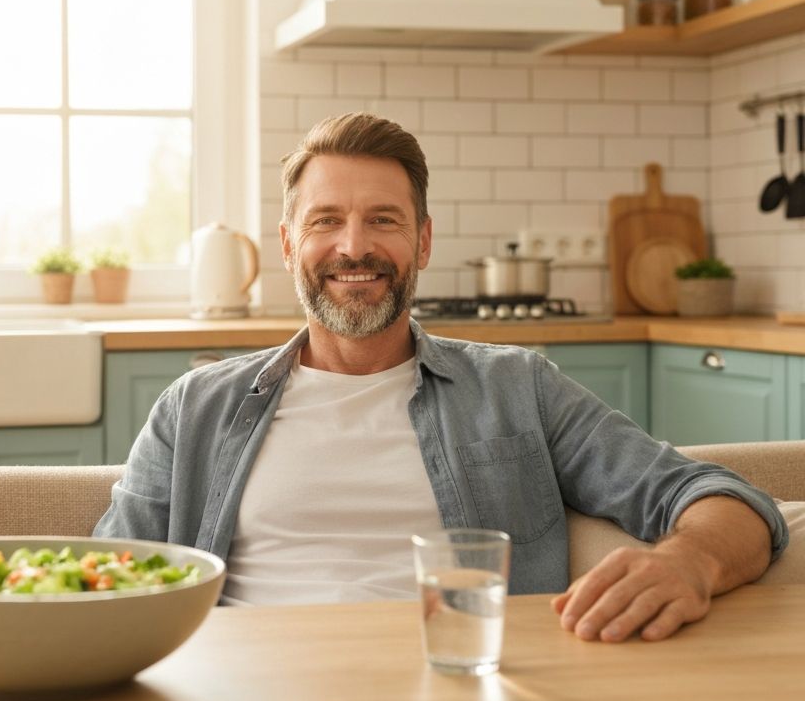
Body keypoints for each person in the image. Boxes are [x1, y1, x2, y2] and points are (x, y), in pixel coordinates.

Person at [95, 112, 787, 642]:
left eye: (383, 220)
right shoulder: (196, 407)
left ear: (423, 239)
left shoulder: (518, 387)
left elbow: (721, 499)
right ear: (287, 244)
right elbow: (105, 583)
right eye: (326, 221)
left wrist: (689, 563)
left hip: (464, 693)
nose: (355, 246)